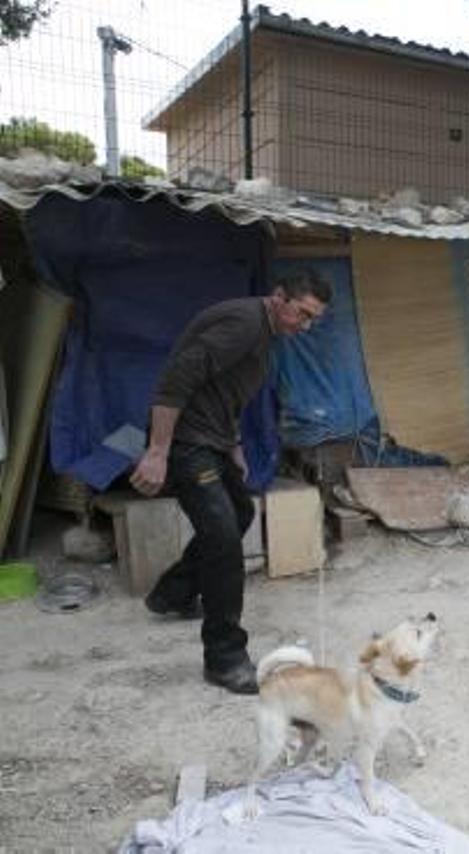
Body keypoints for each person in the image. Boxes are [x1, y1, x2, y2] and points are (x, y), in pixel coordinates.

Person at [130, 270, 331, 694]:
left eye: (314, 319)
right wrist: (158, 451)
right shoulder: (244, 324)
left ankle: (174, 592)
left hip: (212, 441)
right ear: (280, 298)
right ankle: (224, 658)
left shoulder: (264, 333)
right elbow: (176, 381)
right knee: (221, 537)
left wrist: (234, 447)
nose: (305, 325)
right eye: (303, 314)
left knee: (239, 512)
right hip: (186, 442)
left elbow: (225, 394)